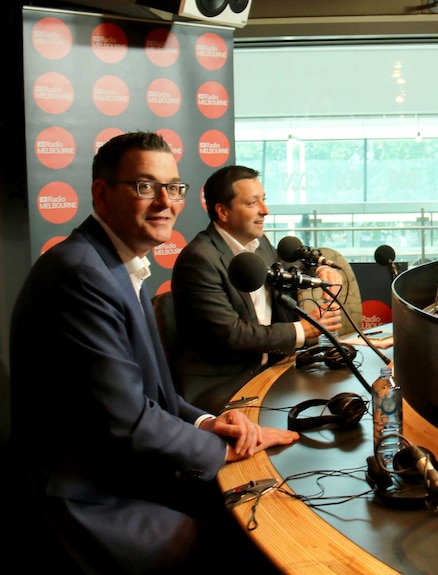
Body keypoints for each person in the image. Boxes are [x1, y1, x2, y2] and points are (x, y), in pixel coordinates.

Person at [10, 132, 299, 574]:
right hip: (85, 498)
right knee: (244, 541)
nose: (166, 201)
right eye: (145, 186)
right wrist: (225, 450)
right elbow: (128, 420)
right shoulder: (81, 275)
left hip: (123, 473)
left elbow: (154, 395)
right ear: (101, 195)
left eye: (174, 187)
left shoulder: (117, 262)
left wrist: (209, 423)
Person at [171, 165, 343, 414]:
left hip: (270, 369)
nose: (265, 210)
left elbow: (283, 268)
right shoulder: (199, 260)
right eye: (253, 203)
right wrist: (301, 330)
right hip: (224, 386)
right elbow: (232, 335)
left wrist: (318, 271)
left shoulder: (259, 243)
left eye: (264, 200)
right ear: (223, 212)